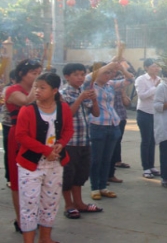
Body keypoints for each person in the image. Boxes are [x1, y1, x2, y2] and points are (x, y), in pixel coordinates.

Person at [15, 72, 74, 242]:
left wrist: (61, 144)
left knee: (50, 202)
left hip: (55, 163)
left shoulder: (62, 108)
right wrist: (44, 150)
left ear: (55, 90)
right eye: (35, 87)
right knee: (29, 204)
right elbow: (21, 136)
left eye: (42, 87)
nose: (37, 91)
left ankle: (45, 238)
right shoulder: (27, 110)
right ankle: (29, 240)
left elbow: (68, 130)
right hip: (30, 164)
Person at [83, 60, 134, 200]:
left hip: (112, 124)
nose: (108, 75)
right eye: (105, 72)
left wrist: (121, 68)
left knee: (107, 159)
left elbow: (130, 79)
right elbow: (89, 77)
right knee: (96, 159)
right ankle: (94, 187)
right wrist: (108, 65)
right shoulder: (90, 84)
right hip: (97, 125)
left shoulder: (110, 85)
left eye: (110, 73)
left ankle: (103, 186)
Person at [60, 63, 102, 219]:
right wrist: (80, 98)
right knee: (68, 175)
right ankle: (68, 205)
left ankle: (80, 203)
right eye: (76, 74)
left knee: (81, 174)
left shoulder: (84, 92)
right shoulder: (63, 93)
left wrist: (94, 100)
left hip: (84, 140)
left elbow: (96, 114)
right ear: (67, 76)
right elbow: (67, 116)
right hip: (70, 142)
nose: (80, 78)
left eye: (82, 75)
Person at [5, 59, 42, 233]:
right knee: (18, 180)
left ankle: (35, 216)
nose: (37, 76)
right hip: (19, 136)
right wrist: (39, 86)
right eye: (33, 73)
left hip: (39, 136)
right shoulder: (12, 90)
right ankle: (21, 220)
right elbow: (28, 102)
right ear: (22, 74)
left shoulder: (40, 90)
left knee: (38, 178)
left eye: (39, 73)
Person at [135, 58, 161, 179]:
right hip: (144, 112)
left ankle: (151, 165)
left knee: (153, 141)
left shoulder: (160, 80)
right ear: (146, 67)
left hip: (155, 113)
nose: (156, 69)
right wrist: (155, 87)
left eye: (157, 66)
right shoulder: (141, 79)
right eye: (153, 66)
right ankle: (145, 167)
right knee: (146, 141)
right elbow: (142, 95)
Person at [108, 69, 132, 183]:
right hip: (107, 120)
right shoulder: (107, 84)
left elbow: (127, 103)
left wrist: (123, 93)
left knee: (116, 144)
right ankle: (103, 176)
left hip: (120, 117)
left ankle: (110, 173)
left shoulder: (117, 85)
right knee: (107, 149)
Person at [1, 69, 16, 187]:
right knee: (9, 152)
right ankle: (9, 177)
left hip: (19, 126)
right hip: (8, 125)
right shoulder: (9, 90)